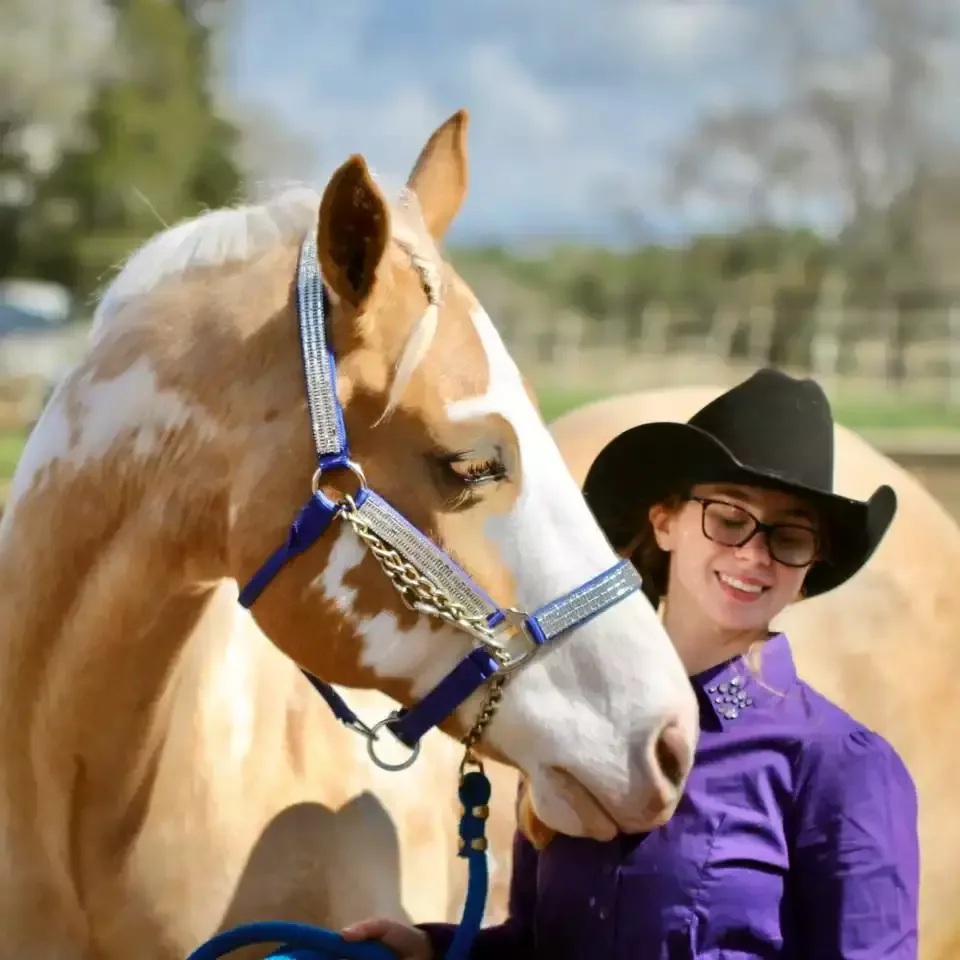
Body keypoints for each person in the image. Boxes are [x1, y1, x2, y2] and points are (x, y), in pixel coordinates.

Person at [340, 367, 920, 959]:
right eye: (728, 518)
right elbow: (536, 944)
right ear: (664, 521)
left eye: (790, 538)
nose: (752, 554)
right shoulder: (573, 726)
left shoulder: (842, 767)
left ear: (806, 574)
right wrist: (430, 950)